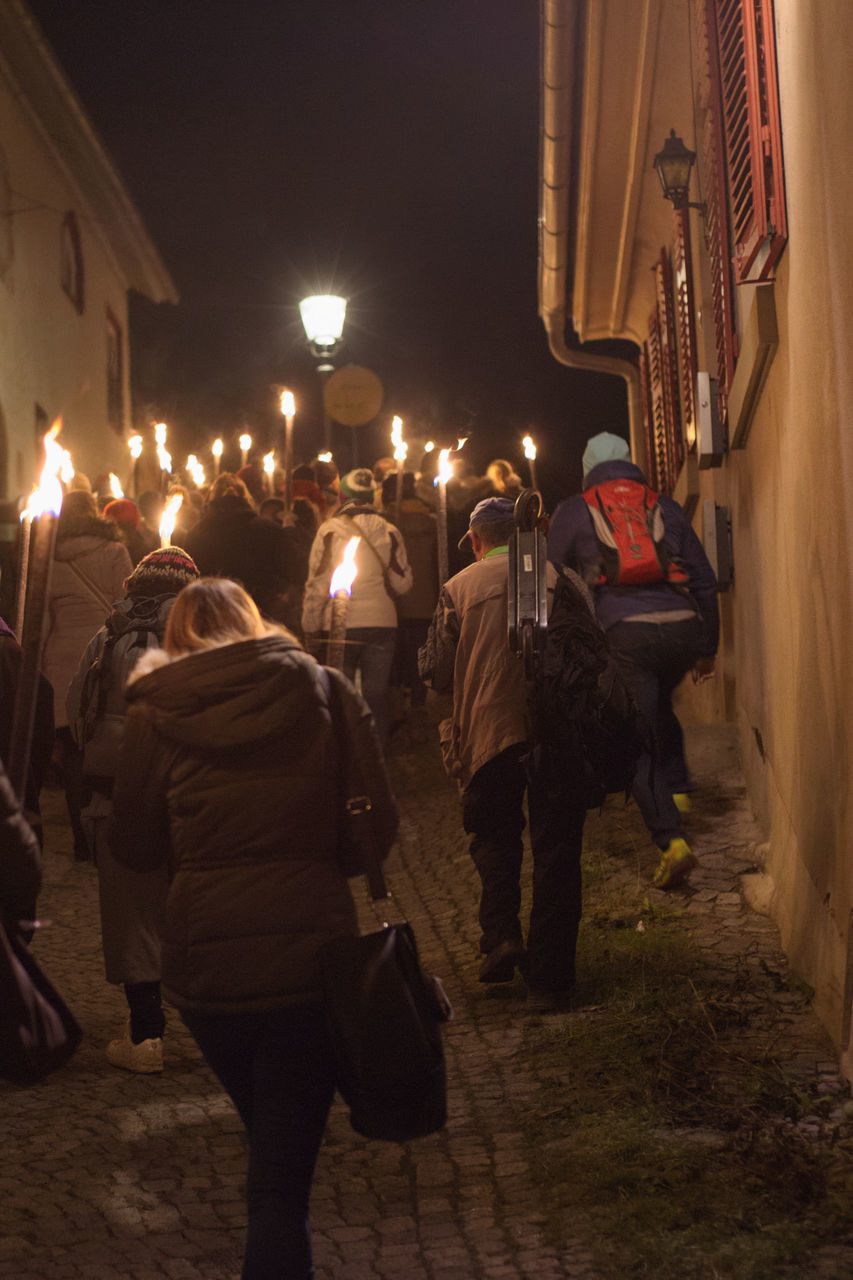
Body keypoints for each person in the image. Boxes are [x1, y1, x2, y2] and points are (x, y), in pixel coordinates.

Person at [109, 577, 398, 1280]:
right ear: (254, 624)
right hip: (309, 965)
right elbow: (374, 831)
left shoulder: (153, 713)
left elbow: (135, 846)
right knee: (278, 1184)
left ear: (176, 640)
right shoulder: (323, 689)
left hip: (208, 978)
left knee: (273, 1153)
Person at [419, 497, 587, 1010]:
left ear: (475, 540)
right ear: (526, 533)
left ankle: (501, 935)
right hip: (554, 731)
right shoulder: (563, 580)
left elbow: (435, 672)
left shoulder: (458, 587)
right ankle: (551, 979)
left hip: (488, 730)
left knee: (494, 838)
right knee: (556, 850)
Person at [547, 431, 719, 890]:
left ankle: (671, 841)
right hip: (682, 627)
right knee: (659, 707)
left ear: (588, 470)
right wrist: (707, 648)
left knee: (632, 735)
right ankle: (677, 791)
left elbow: (551, 576)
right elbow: (703, 579)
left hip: (624, 633)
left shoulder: (575, 509)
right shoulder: (665, 506)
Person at [66, 546, 201, 1073]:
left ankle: (146, 1037)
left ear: (132, 589)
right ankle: (221, 1023)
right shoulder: (203, 640)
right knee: (198, 909)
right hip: (191, 796)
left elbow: (79, 719)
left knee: (133, 915)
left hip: (117, 795)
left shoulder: (103, 640)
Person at [42, 489, 133, 860]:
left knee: (75, 756)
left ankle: (82, 842)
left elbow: (43, 621)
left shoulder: (51, 558)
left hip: (62, 662)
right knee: (107, 744)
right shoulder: (115, 551)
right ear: (94, 513)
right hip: (104, 658)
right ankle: (109, 834)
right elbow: (126, 605)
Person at [302, 468, 412, 746]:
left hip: (341, 624)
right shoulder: (390, 530)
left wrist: (310, 627)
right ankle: (377, 754)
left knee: (343, 692)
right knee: (376, 693)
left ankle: (349, 753)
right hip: (381, 622)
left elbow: (317, 584)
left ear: (343, 497)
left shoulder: (329, 530)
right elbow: (403, 584)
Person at [183, 473, 299, 623]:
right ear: (246, 498)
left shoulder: (195, 534)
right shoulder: (269, 530)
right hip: (258, 616)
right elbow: (291, 570)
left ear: (210, 499)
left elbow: (189, 580)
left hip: (210, 615)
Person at [381, 471, 439, 741]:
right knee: (419, 655)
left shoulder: (387, 524)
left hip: (393, 600)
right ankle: (417, 707)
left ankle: (395, 711)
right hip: (425, 600)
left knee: (394, 657)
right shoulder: (433, 522)